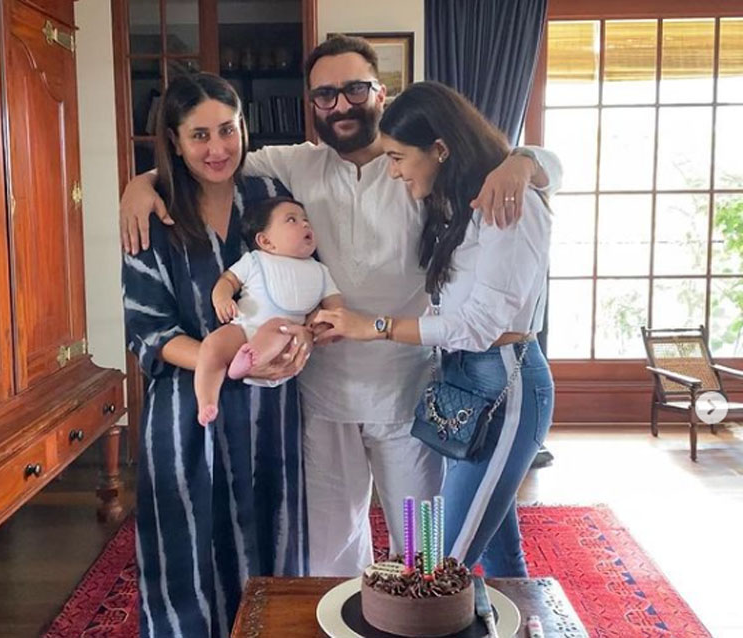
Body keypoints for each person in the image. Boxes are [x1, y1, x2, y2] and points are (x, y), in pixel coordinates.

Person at [120, 35, 561, 577]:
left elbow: (540, 171)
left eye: (355, 89)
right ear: (312, 104)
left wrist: (524, 161)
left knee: (423, 549)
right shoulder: (296, 165)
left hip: (408, 393)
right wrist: (141, 183)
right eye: (324, 95)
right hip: (323, 393)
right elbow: (213, 157)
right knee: (329, 555)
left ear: (381, 92)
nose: (341, 105)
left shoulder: (421, 169)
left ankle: (420, 616)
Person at [312, 81, 554, 576]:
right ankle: (518, 616)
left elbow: (478, 326)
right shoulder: (459, 202)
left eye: (398, 157)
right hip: (464, 381)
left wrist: (375, 326)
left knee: (438, 563)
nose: (393, 171)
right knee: (499, 552)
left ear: (440, 149)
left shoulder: (510, 202)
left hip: (504, 385)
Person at [122, 73, 311, 638]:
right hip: (186, 407)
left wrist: (299, 340)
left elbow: (305, 282)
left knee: (273, 537)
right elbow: (147, 327)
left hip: (269, 404)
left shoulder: (270, 195)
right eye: (199, 135)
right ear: (175, 141)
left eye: (228, 130)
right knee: (188, 548)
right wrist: (219, 358)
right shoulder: (152, 212)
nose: (218, 148)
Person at [195, 196, 342, 426]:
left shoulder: (320, 271)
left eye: (306, 220)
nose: (305, 224)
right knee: (212, 346)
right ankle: (207, 401)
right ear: (265, 241)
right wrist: (221, 298)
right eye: (292, 220)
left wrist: (322, 325)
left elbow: (336, 309)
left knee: (278, 328)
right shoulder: (255, 260)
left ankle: (248, 361)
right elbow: (228, 280)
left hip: (284, 338)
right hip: (244, 327)